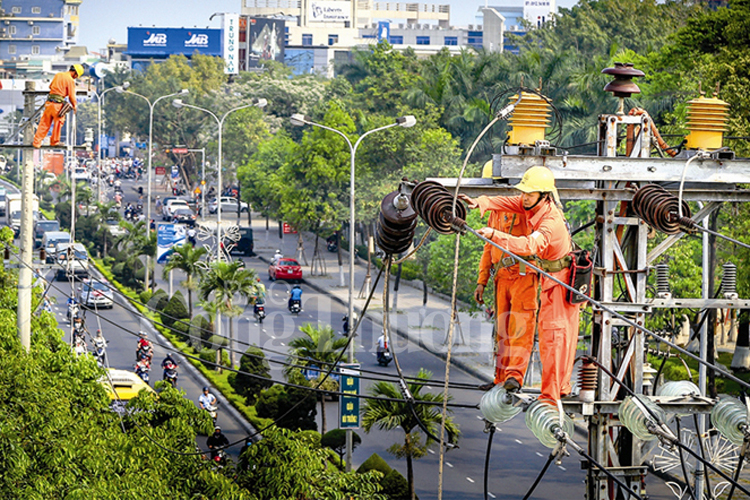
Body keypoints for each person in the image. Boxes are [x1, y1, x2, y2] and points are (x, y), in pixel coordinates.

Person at [460, 166, 580, 404]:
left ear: (544, 195)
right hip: (530, 278)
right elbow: (506, 204)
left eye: (529, 193)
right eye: (524, 192)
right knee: (506, 328)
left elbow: (529, 246)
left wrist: (495, 235)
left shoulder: (549, 220)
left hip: (546, 278)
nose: (524, 197)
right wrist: (480, 202)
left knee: (545, 334)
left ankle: (542, 389)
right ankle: (507, 377)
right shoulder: (528, 206)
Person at [473, 193, 538, 393]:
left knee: (519, 327)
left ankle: (514, 376)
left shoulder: (526, 207)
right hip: (501, 276)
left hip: (523, 275)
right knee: (502, 331)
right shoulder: (496, 211)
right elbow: (488, 247)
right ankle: (501, 377)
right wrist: (481, 281)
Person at [33, 64, 83, 148]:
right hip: (58, 105)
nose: (75, 78)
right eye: (76, 76)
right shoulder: (70, 80)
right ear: (75, 73)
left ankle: (37, 142)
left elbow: (50, 86)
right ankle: (54, 142)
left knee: (44, 123)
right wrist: (74, 106)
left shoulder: (58, 75)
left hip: (49, 103)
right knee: (58, 122)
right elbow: (71, 95)